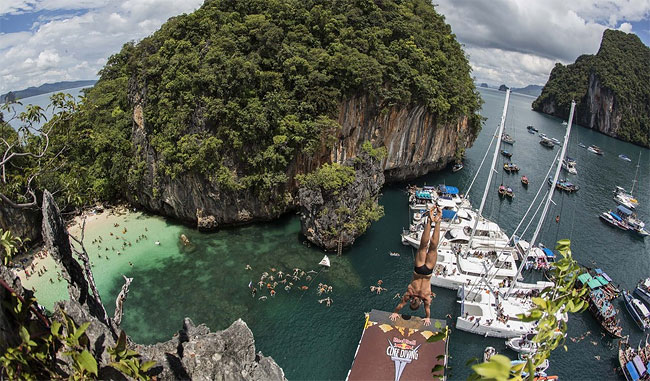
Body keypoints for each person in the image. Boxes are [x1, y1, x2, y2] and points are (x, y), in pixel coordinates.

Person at [390, 205, 441, 326]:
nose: (413, 301)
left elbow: (401, 305)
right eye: (414, 303)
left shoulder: (409, 294)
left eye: (411, 302)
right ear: (418, 304)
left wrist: (395, 313)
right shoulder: (426, 299)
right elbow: (428, 310)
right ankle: (438, 221)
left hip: (418, 270)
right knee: (433, 247)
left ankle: (429, 220)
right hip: (428, 271)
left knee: (423, 246)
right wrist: (427, 318)